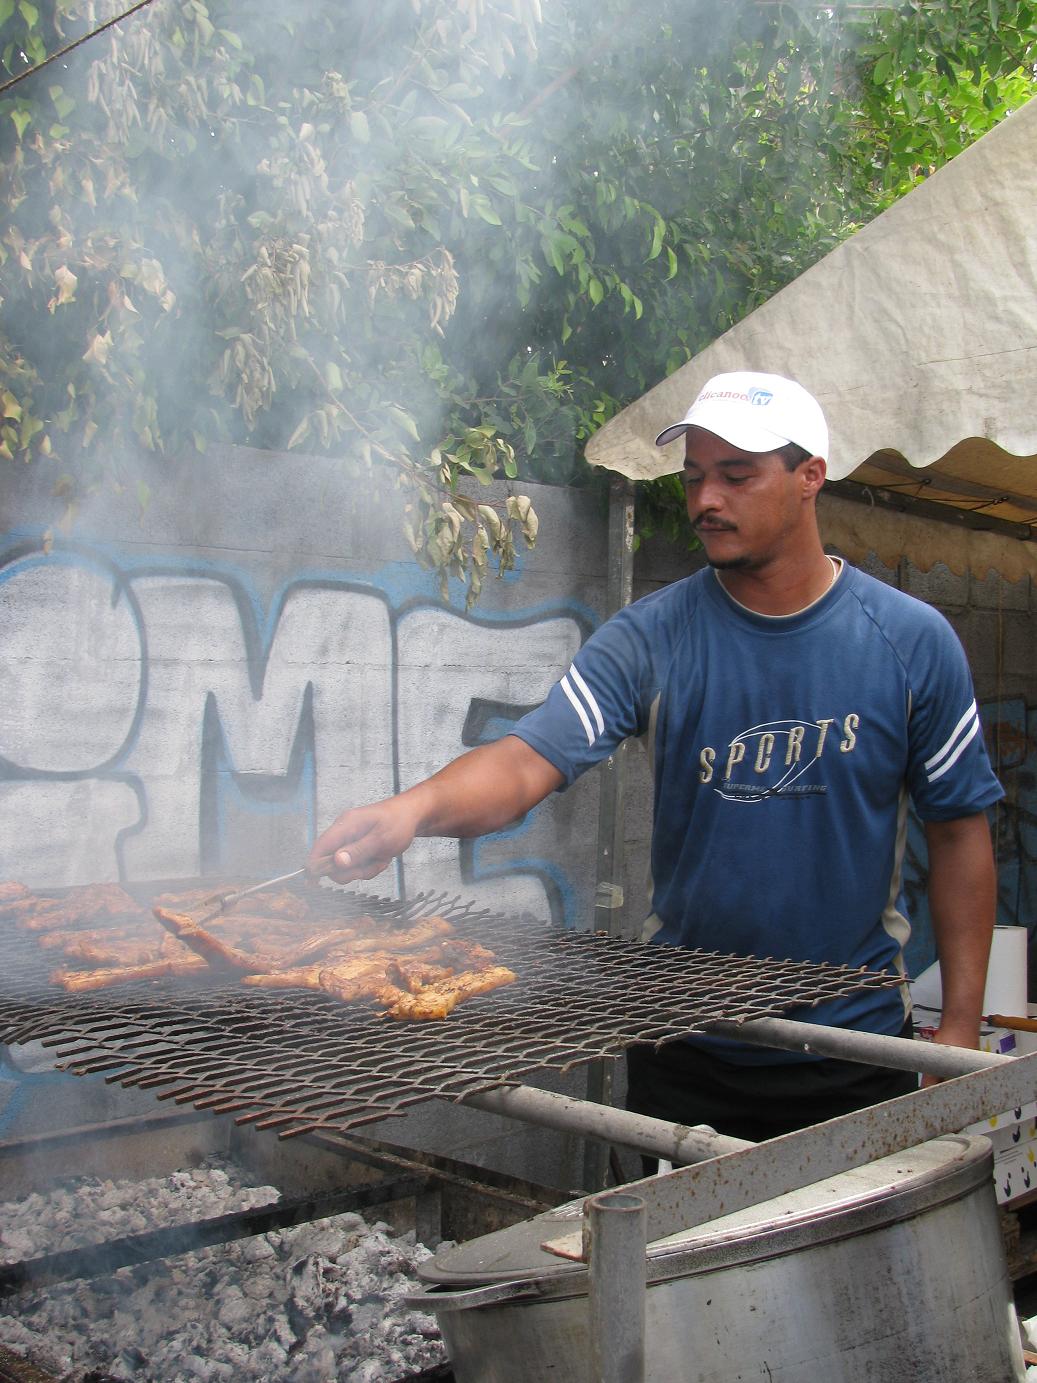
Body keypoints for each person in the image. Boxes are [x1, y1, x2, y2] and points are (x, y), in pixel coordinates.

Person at [308, 370, 1002, 1144]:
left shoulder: (909, 641)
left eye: (736, 476)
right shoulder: (651, 637)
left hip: (851, 1052)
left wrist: (960, 1031)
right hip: (683, 1048)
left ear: (810, 478)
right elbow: (523, 759)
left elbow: (957, 835)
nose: (705, 500)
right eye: (694, 477)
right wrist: (411, 809)